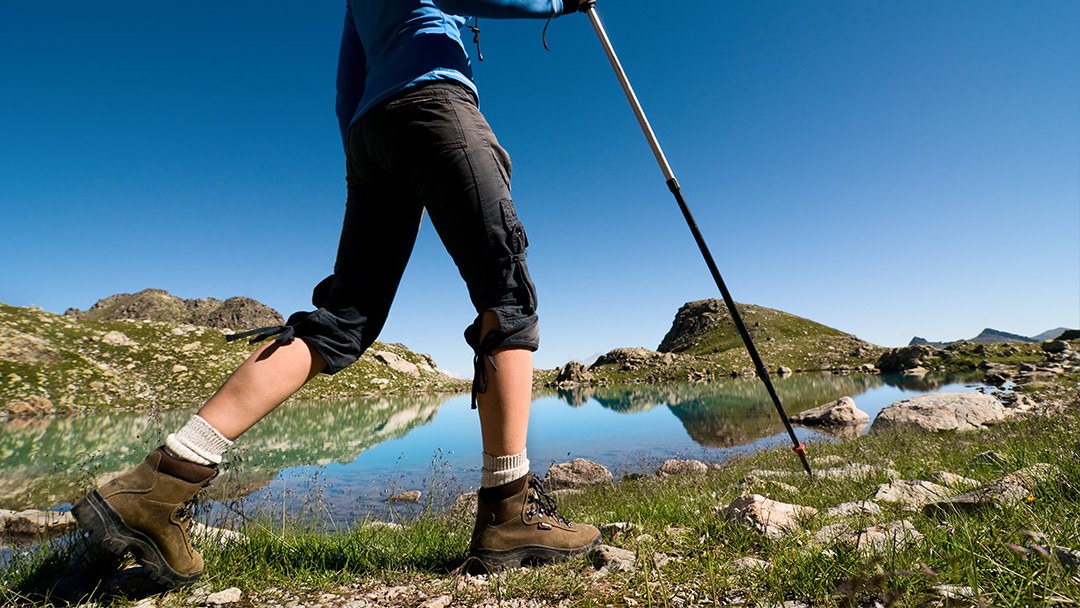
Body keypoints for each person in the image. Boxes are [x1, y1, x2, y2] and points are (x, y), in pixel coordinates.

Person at [73, 0, 600, 588]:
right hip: (437, 107)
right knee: (507, 297)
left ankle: (160, 482)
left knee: (338, 322)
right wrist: (555, 3)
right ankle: (509, 512)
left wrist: (365, 150)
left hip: (370, 134)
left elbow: (346, 89)